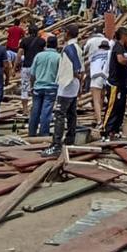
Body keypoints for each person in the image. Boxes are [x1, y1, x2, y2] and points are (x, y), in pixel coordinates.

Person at [44, 23, 85, 158]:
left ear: (67, 33)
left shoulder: (69, 48)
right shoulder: (77, 47)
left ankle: (56, 145)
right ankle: (70, 139)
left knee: (60, 115)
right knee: (71, 114)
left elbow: (77, 67)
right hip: (74, 85)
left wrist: (76, 75)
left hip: (67, 85)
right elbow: (82, 69)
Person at [27, 35, 60, 137]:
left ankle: (32, 132)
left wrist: (31, 86)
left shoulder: (39, 56)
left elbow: (32, 74)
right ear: (57, 45)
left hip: (38, 86)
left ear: (47, 44)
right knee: (46, 112)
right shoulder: (59, 57)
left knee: (35, 111)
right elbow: (60, 74)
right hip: (51, 87)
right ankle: (43, 133)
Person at [103, 28, 127, 140]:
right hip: (115, 83)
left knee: (120, 108)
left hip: (122, 83)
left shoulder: (123, 48)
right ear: (124, 35)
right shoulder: (117, 47)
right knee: (112, 107)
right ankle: (106, 130)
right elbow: (120, 60)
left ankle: (116, 129)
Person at [16, 24, 44, 108]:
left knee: (24, 87)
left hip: (26, 66)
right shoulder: (42, 41)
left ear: (28, 31)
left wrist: (15, 66)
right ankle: (35, 108)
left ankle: (25, 110)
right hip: (38, 68)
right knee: (37, 87)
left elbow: (19, 54)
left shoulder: (24, 41)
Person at [88, 37, 112, 117]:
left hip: (96, 76)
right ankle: (100, 116)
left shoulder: (94, 54)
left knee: (96, 100)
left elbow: (90, 64)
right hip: (105, 76)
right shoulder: (109, 53)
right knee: (102, 97)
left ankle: (98, 120)